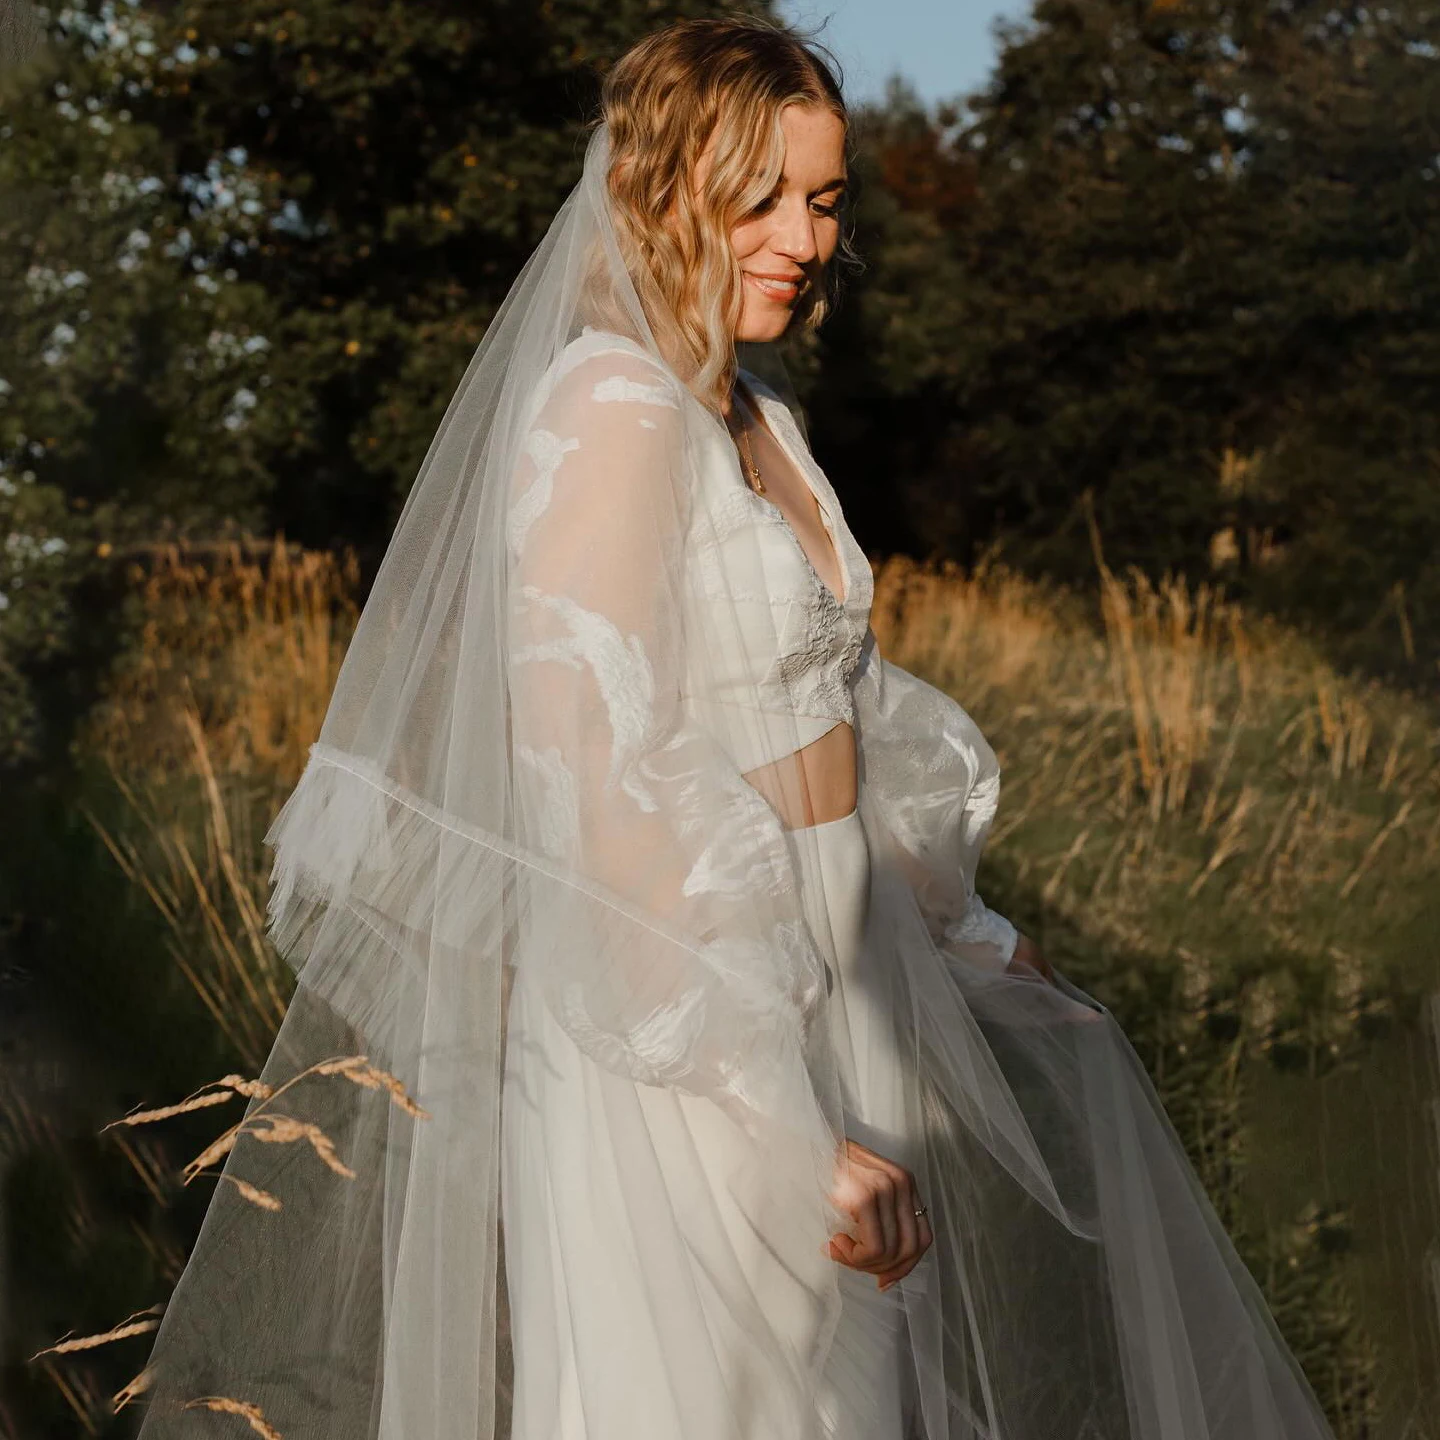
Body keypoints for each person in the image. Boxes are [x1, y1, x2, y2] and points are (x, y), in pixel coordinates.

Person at [121, 16, 1340, 1440]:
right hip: (692, 1012)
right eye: (757, 196)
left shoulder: (759, 412)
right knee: (723, 1399)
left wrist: (959, 928)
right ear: (658, 188)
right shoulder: (612, 409)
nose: (803, 237)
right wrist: (770, 1119)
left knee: (848, 1394)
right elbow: (594, 767)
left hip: (846, 971)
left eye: (823, 200)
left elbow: (841, 711)